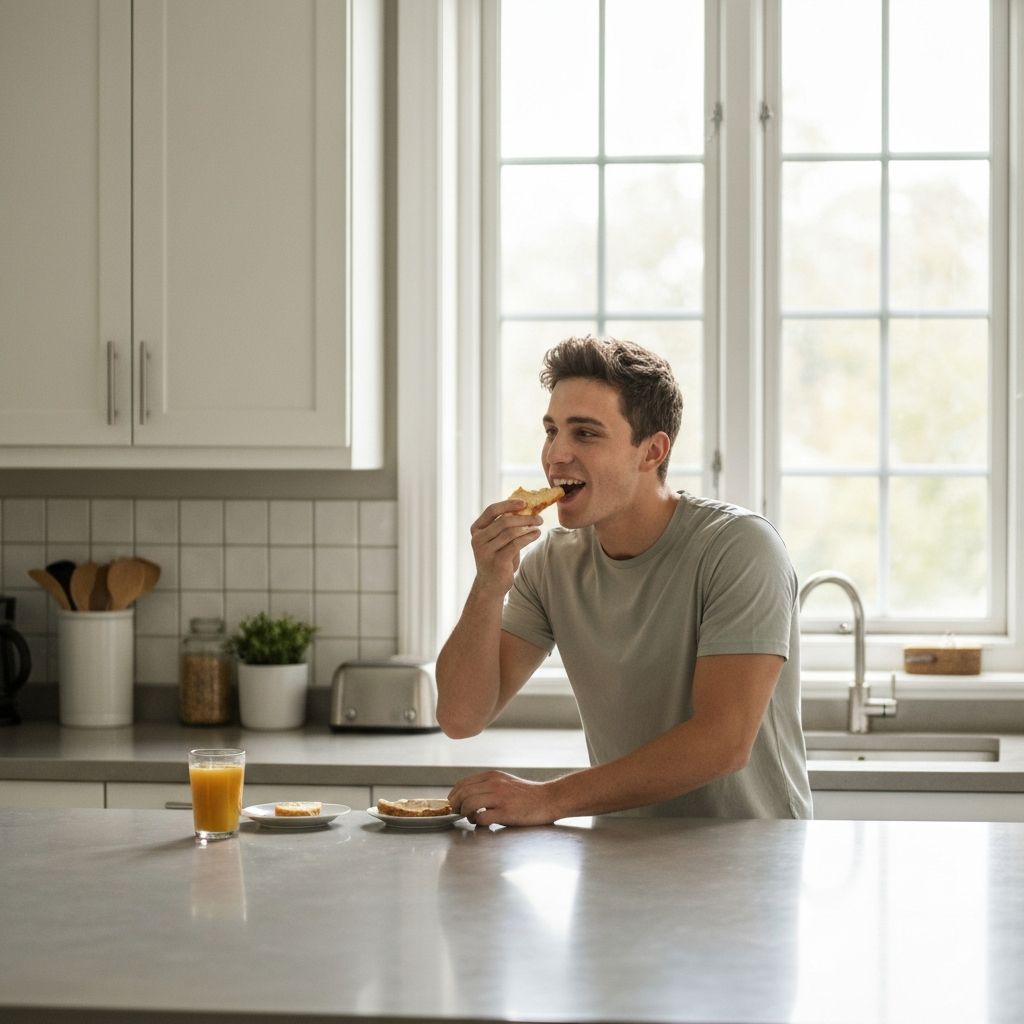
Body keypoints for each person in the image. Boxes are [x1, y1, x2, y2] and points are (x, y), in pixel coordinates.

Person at [436, 336, 812, 826]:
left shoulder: (739, 548)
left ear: (652, 451)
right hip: (620, 861)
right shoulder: (552, 564)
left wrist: (548, 799)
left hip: (750, 860)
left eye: (585, 434)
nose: (556, 455)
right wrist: (488, 583)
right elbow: (461, 717)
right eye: (551, 431)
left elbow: (723, 742)